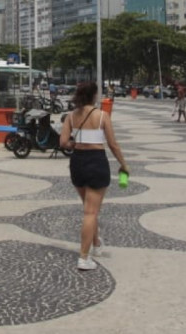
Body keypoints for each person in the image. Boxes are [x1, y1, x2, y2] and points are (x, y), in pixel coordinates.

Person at [59, 81, 129, 271]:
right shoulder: (102, 116)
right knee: (91, 212)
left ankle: (96, 244)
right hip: (96, 161)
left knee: (89, 207)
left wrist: (76, 144)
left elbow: (63, 142)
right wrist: (123, 165)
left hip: (77, 162)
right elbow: (113, 145)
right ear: (93, 95)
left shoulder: (71, 117)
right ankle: (84, 257)